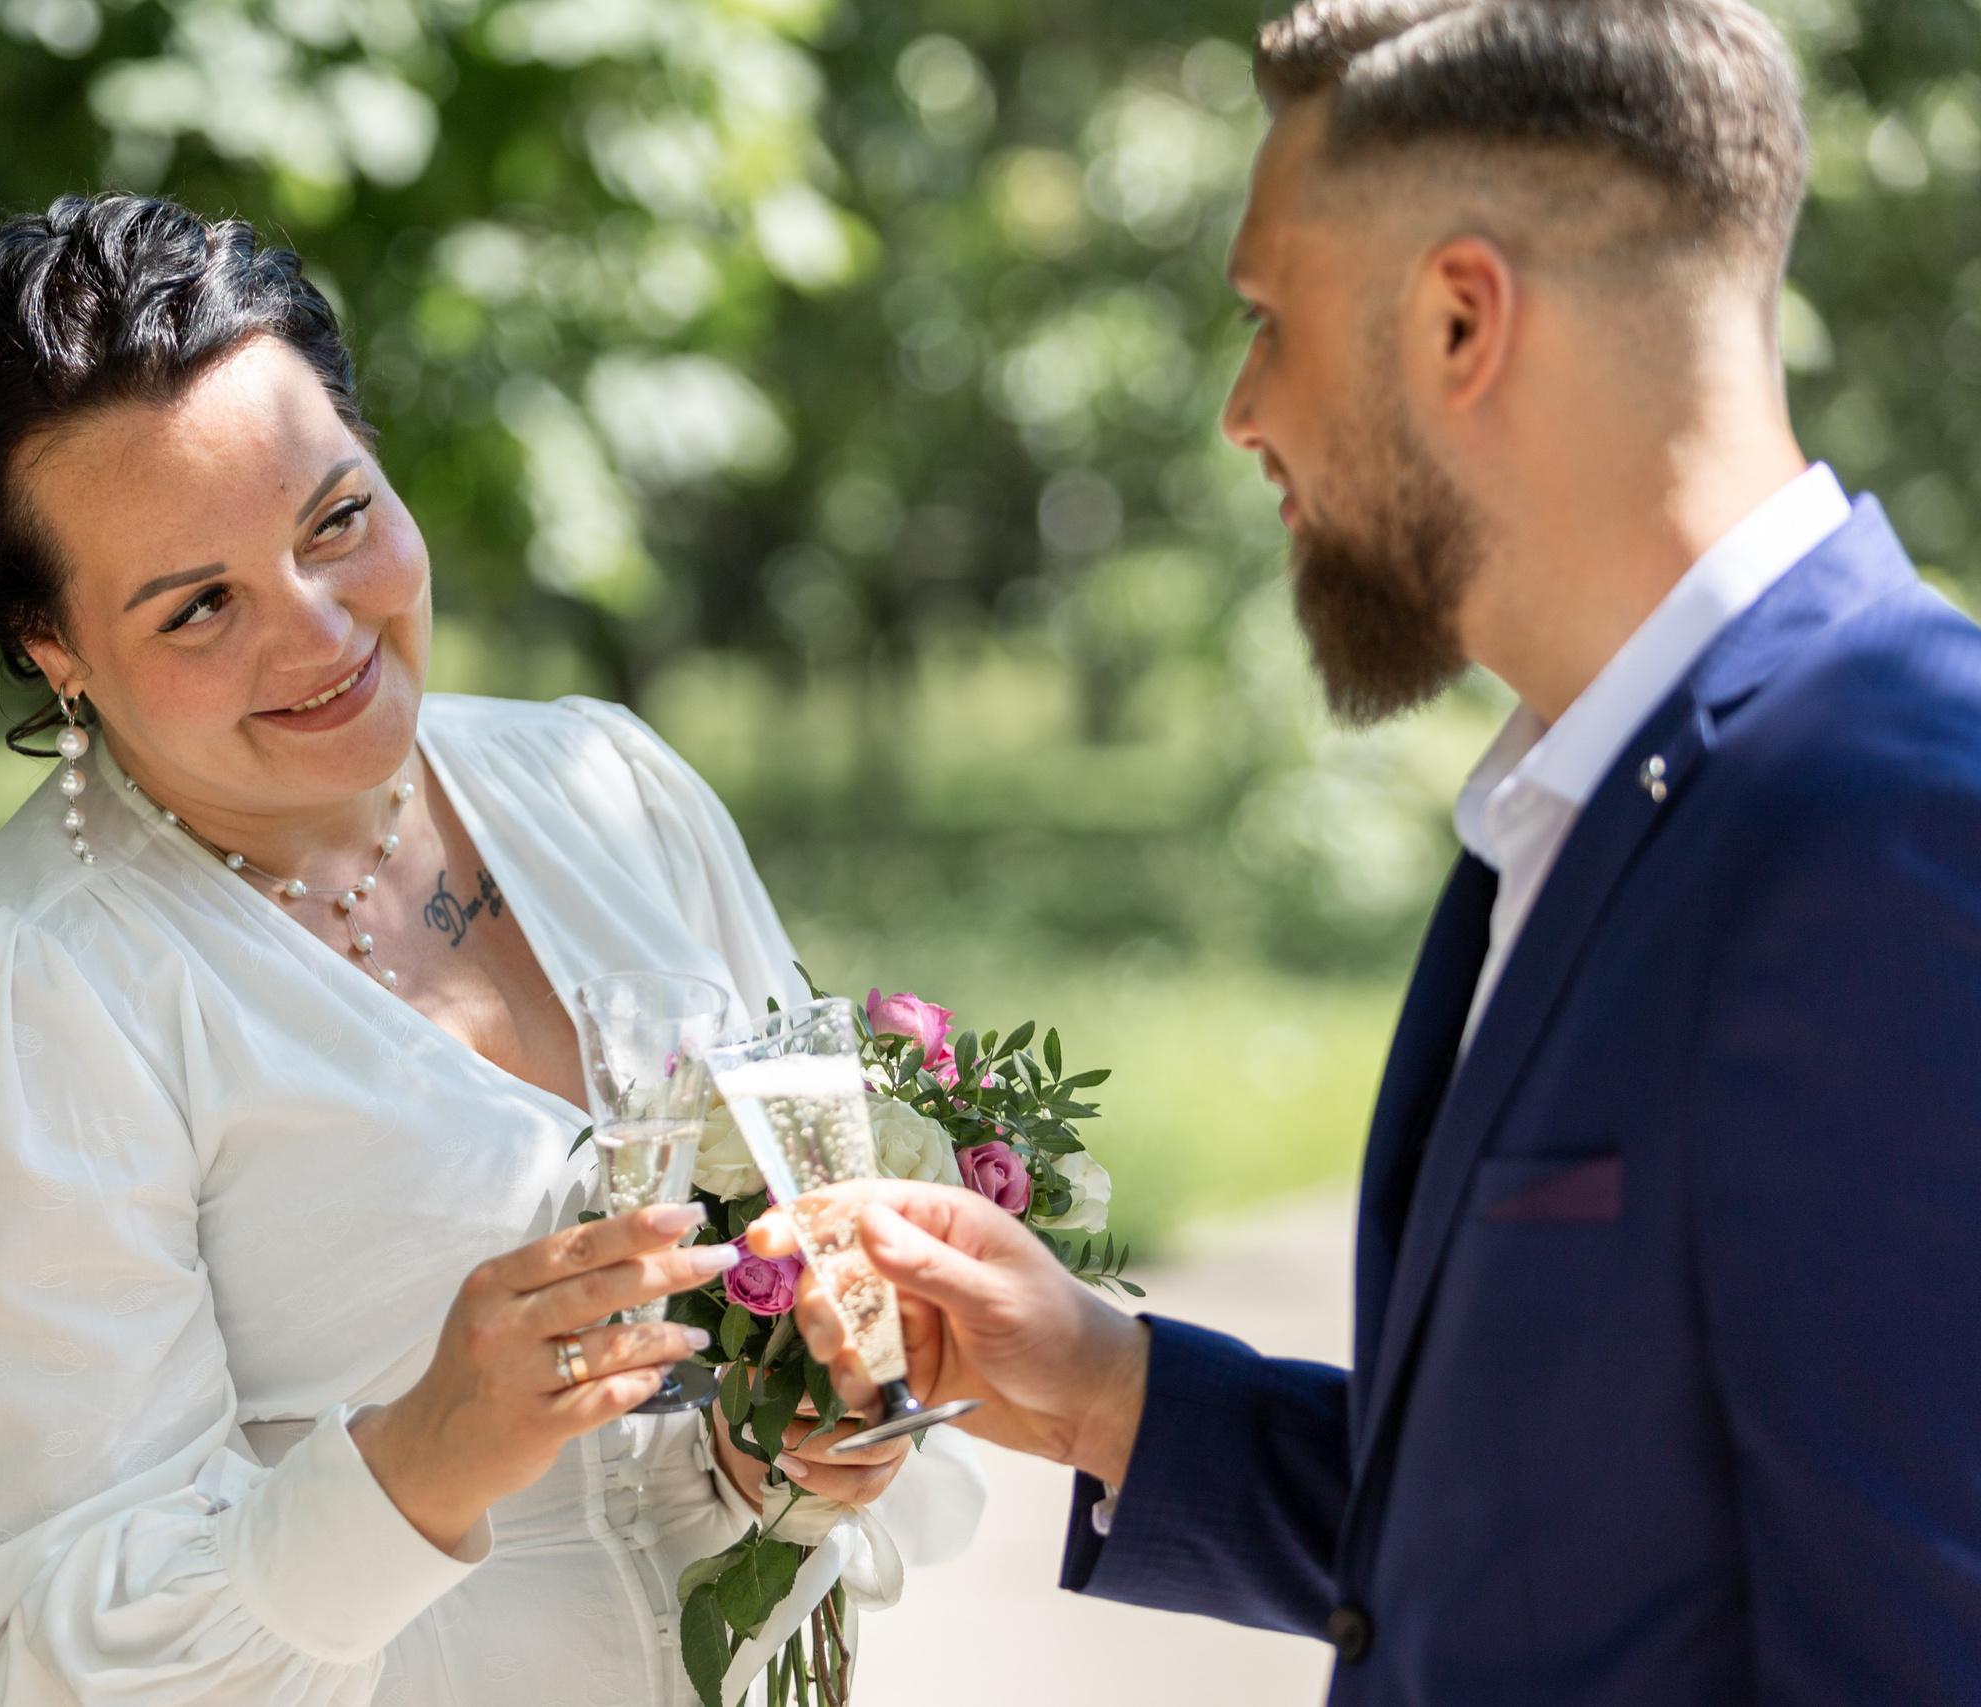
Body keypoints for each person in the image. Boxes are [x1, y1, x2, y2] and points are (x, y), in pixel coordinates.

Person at [752, 0, 1981, 1700]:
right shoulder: (1571, 801)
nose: (1240, 413)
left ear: (1463, 317)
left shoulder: (1898, 821)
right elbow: (1582, 1546)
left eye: (1268, 321)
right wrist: (1117, 1392)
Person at [0, 193, 983, 1707]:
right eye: (197, 608)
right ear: (55, 651)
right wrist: (418, 1463)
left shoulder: (609, 789)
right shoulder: (20, 995)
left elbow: (821, 1317)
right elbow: (32, 1655)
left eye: (338, 520)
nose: (317, 632)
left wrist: (812, 1434)